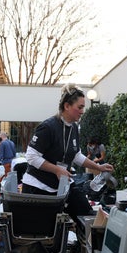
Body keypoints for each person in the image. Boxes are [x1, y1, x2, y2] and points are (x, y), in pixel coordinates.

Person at [21, 83, 114, 222]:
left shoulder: (74, 128)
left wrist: (98, 167)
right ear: (67, 106)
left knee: (86, 215)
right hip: (38, 186)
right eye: (80, 107)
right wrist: (57, 170)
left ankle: (85, 242)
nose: (83, 111)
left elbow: (76, 155)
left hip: (62, 183)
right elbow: (31, 156)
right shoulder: (48, 127)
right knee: (46, 230)